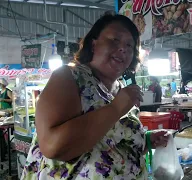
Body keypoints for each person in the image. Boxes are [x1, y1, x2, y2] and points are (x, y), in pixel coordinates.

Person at [21, 13, 169, 179]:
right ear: (93, 44)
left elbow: (110, 142)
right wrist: (116, 108)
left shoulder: (122, 90)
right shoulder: (69, 77)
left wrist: (147, 140)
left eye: (129, 45)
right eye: (115, 40)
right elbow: (52, 147)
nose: (123, 48)